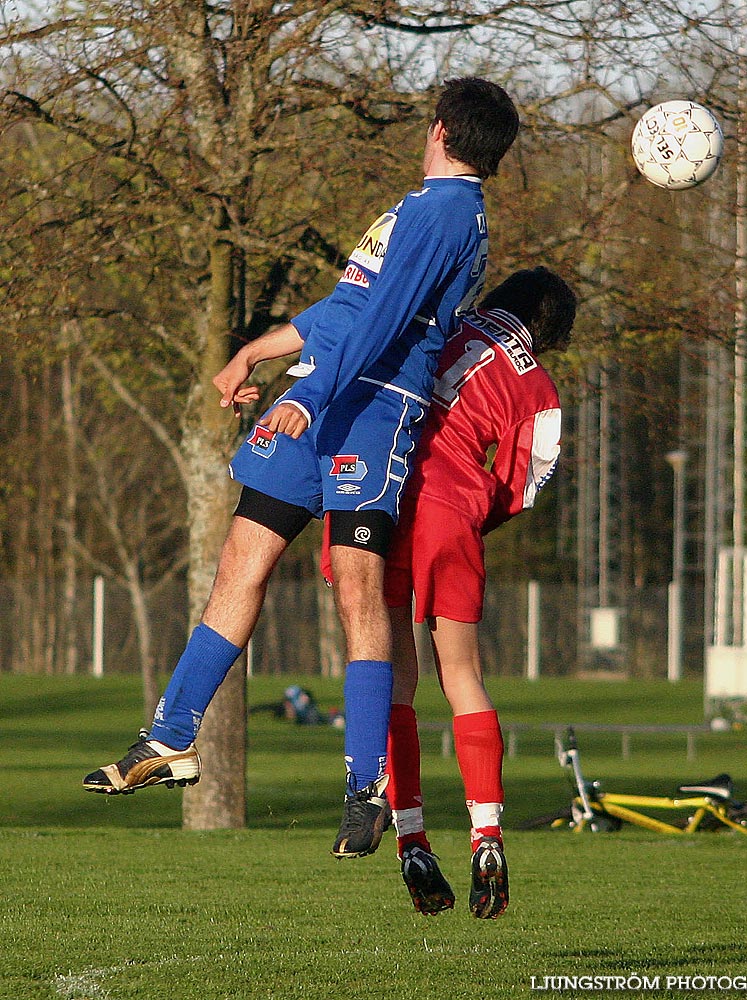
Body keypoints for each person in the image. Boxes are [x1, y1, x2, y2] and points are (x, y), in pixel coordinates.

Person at [82, 77, 520, 862]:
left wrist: (309, 395)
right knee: (237, 570)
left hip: (371, 408)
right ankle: (170, 737)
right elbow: (349, 305)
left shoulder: (445, 211)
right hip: (321, 397)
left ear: (440, 128)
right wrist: (257, 350)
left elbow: (387, 323)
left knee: (356, 587)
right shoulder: (418, 206)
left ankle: (365, 785)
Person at [321, 267, 575, 915]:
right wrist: (466, 512)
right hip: (448, 515)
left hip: (378, 497)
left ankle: (410, 837)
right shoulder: (537, 387)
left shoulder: (446, 324)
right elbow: (521, 487)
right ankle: (485, 833)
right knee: (462, 676)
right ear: (548, 335)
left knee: (392, 680)